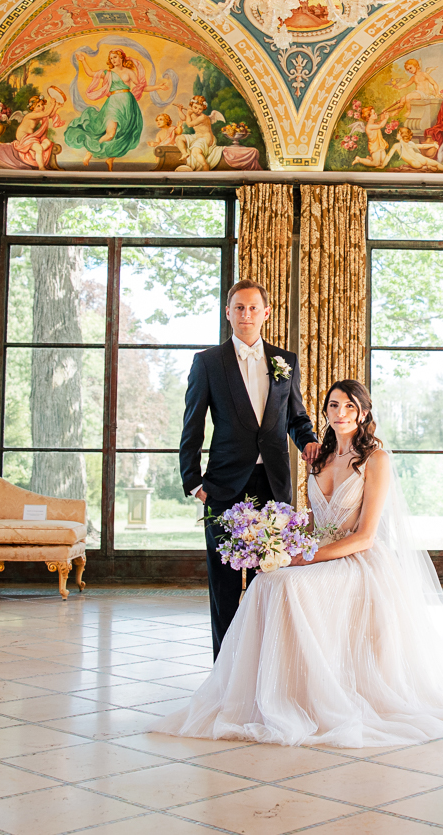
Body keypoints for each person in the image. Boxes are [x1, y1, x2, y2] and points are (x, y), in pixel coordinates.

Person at [155, 379, 443, 746]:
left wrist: (305, 559)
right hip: (318, 552)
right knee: (265, 581)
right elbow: (314, 524)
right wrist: (278, 545)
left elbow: (365, 536)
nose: (341, 412)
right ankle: (269, 692)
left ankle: (305, 696)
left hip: (358, 559)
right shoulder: (319, 459)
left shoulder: (375, 460)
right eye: (334, 405)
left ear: (363, 413)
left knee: (288, 584)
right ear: (326, 412)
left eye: (350, 406)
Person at [178, 281, 320, 657]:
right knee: (224, 587)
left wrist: (308, 441)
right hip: (223, 487)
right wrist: (194, 483)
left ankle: (267, 667)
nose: (246, 314)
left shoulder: (285, 362)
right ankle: (225, 673)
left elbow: (296, 416)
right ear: (228, 313)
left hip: (274, 486)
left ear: (266, 313)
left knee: (271, 581)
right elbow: (192, 425)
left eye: (253, 308)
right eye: (239, 307)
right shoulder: (208, 363)